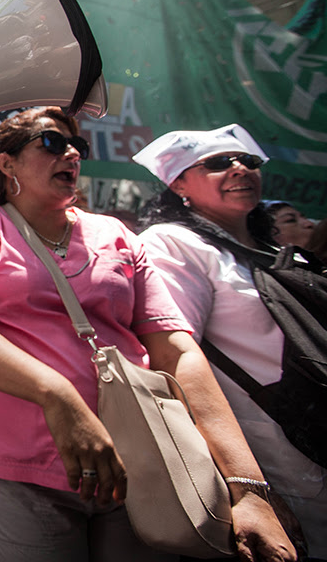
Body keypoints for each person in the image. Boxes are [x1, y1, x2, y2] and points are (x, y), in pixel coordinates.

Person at [0, 108, 293, 562]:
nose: (73, 153)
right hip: (14, 476)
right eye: (52, 142)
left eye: (77, 146)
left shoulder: (117, 235)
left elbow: (177, 352)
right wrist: (55, 394)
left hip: (138, 470)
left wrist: (246, 486)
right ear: (7, 163)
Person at [134, 124, 326, 559]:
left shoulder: (276, 250)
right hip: (276, 460)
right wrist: (246, 489)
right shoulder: (172, 245)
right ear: (177, 182)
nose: (240, 168)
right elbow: (173, 362)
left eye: (249, 161)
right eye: (219, 163)